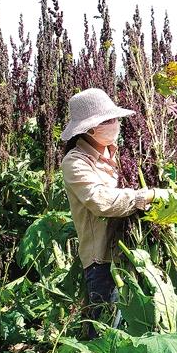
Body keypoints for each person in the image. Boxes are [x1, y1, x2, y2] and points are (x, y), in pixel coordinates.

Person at [60, 88, 164, 338]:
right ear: (90, 128)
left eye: (115, 119)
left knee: (139, 328)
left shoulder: (117, 153)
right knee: (107, 333)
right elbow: (101, 202)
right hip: (102, 261)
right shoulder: (75, 162)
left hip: (132, 253)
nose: (116, 124)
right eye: (108, 120)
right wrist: (146, 195)